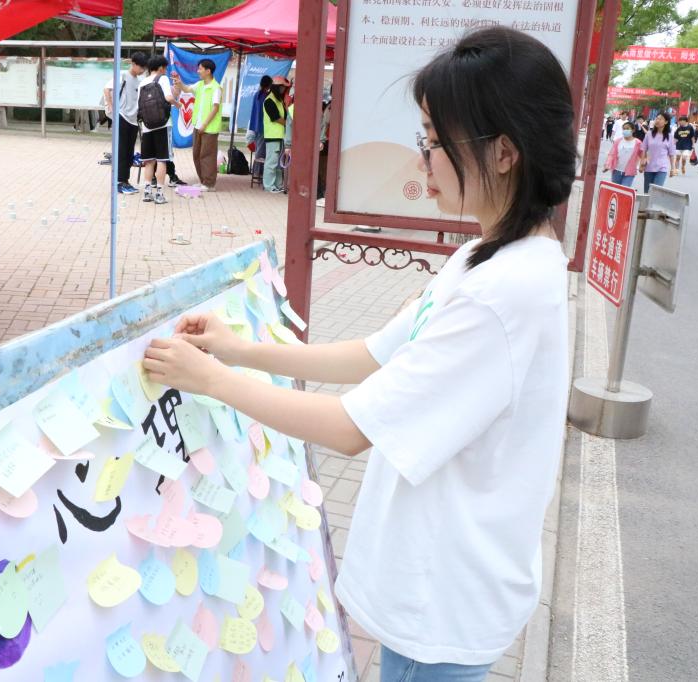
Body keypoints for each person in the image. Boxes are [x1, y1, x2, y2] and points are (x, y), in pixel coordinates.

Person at [142, 26, 575, 682]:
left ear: (504, 152)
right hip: (440, 586)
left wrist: (212, 380)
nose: (423, 161)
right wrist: (236, 350)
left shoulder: (503, 294)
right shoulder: (484, 257)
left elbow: (349, 429)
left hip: (442, 604)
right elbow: (372, 356)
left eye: (435, 142)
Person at [173, 58, 223, 192]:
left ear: (208, 71)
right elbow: (187, 89)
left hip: (209, 128)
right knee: (197, 154)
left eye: (200, 69)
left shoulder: (216, 88)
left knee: (207, 155)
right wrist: (179, 82)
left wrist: (205, 124)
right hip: (197, 126)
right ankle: (203, 181)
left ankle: (209, 184)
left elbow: (215, 108)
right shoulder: (200, 84)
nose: (198, 71)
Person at [138, 54, 181, 205]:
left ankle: (147, 192)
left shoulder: (143, 82)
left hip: (147, 126)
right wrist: (178, 105)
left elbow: (139, 106)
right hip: (162, 125)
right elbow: (169, 98)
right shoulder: (162, 79)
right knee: (162, 160)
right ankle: (160, 194)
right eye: (165, 68)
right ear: (162, 67)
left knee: (149, 161)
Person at [104, 51, 147, 193]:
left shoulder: (139, 81)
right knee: (121, 151)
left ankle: (125, 181)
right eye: (141, 67)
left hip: (133, 120)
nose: (142, 70)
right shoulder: (122, 75)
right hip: (122, 117)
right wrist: (112, 107)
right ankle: (119, 182)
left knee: (129, 152)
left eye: (144, 68)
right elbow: (107, 89)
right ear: (133, 64)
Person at [262, 76, 290, 192]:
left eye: (284, 88)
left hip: (281, 136)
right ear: (276, 87)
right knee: (271, 163)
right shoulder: (269, 100)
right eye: (282, 87)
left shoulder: (279, 100)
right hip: (272, 137)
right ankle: (269, 186)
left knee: (279, 164)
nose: (283, 90)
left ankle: (278, 185)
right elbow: (276, 118)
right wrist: (289, 124)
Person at [641, 113, 675, 193]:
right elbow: (644, 149)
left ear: (666, 122)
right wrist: (641, 163)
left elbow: (672, 154)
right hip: (649, 167)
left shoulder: (670, 137)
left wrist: (672, 168)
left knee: (656, 192)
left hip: (662, 168)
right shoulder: (649, 134)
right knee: (647, 192)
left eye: (660, 119)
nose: (657, 121)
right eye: (656, 118)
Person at [604, 122, 642, 188]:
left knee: (624, 189)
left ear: (633, 130)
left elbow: (643, 155)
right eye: (624, 129)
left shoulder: (638, 143)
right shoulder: (618, 141)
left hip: (630, 172)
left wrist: (642, 165)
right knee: (615, 189)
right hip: (616, 171)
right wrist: (607, 165)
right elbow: (612, 154)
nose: (625, 130)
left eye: (627, 129)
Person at [247, 75, 273, 168]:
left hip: (256, 126)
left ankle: (257, 171)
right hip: (263, 127)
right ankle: (258, 171)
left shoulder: (257, 95)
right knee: (261, 152)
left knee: (259, 149)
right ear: (269, 85)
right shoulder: (265, 96)